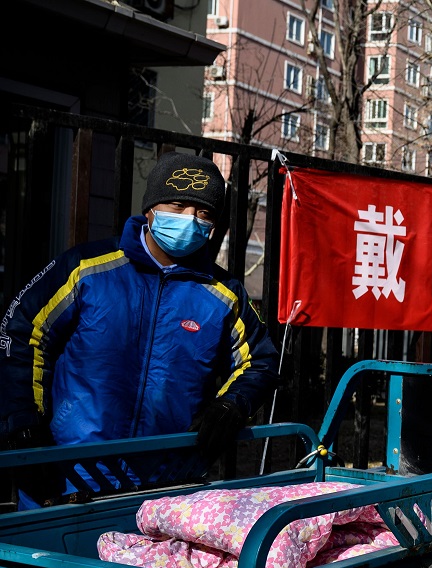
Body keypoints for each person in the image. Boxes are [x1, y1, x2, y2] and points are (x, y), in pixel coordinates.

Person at [0, 152, 279, 508]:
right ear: (150, 209)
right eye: (177, 205)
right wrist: (23, 420)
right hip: (68, 476)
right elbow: (22, 334)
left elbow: (260, 362)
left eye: (204, 213)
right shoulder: (86, 269)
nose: (190, 219)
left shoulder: (225, 294)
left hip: (170, 484)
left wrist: (232, 406)